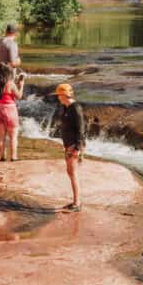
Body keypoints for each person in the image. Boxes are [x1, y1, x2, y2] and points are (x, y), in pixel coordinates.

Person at [53, 83, 86, 211]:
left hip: (74, 145)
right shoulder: (66, 107)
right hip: (68, 144)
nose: (58, 98)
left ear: (63, 95)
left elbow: (81, 129)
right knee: (70, 172)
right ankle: (76, 202)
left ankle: (77, 203)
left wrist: (78, 148)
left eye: (59, 95)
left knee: (73, 173)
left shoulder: (75, 108)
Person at [0, 62, 25, 162]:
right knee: (13, 136)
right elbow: (19, 96)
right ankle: (13, 157)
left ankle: (2, 157)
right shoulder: (10, 84)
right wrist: (21, 85)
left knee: (1, 135)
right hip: (9, 110)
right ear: (8, 73)